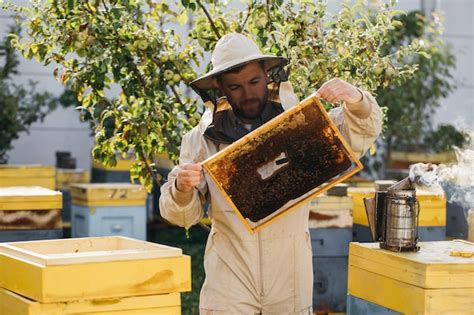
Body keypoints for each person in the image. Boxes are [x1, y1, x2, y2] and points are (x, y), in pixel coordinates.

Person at [160, 33, 382, 314]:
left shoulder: (300, 124)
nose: (248, 93)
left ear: (268, 75)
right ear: (221, 89)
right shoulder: (200, 141)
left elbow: (360, 132)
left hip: (289, 275)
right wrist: (181, 188)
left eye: (254, 82)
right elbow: (183, 216)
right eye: (236, 87)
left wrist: (356, 99)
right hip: (231, 276)